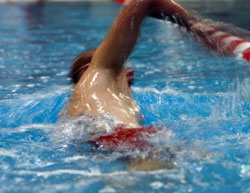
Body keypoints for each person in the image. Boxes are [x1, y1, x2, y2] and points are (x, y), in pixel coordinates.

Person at [66, 0, 195, 129]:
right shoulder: (97, 76)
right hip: (127, 140)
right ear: (85, 71)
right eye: (119, 68)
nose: (130, 72)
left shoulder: (74, 110)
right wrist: (199, 27)